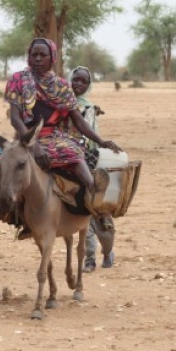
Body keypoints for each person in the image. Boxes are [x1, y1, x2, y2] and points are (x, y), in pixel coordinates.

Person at [0, 38, 120, 247]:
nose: (38, 59)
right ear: (29, 56)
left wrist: (101, 141)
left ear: (53, 58)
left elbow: (78, 122)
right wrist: (33, 145)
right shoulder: (18, 80)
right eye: (35, 55)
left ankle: (99, 209)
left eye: (43, 55)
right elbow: (15, 118)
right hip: (25, 137)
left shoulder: (61, 86)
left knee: (76, 158)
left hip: (57, 138)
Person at [71, 66, 115, 272]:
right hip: (69, 158)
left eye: (83, 81)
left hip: (89, 159)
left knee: (100, 211)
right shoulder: (63, 102)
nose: (78, 84)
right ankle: (89, 258)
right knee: (83, 210)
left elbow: (85, 133)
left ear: (89, 86)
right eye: (75, 80)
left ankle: (107, 251)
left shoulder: (87, 108)